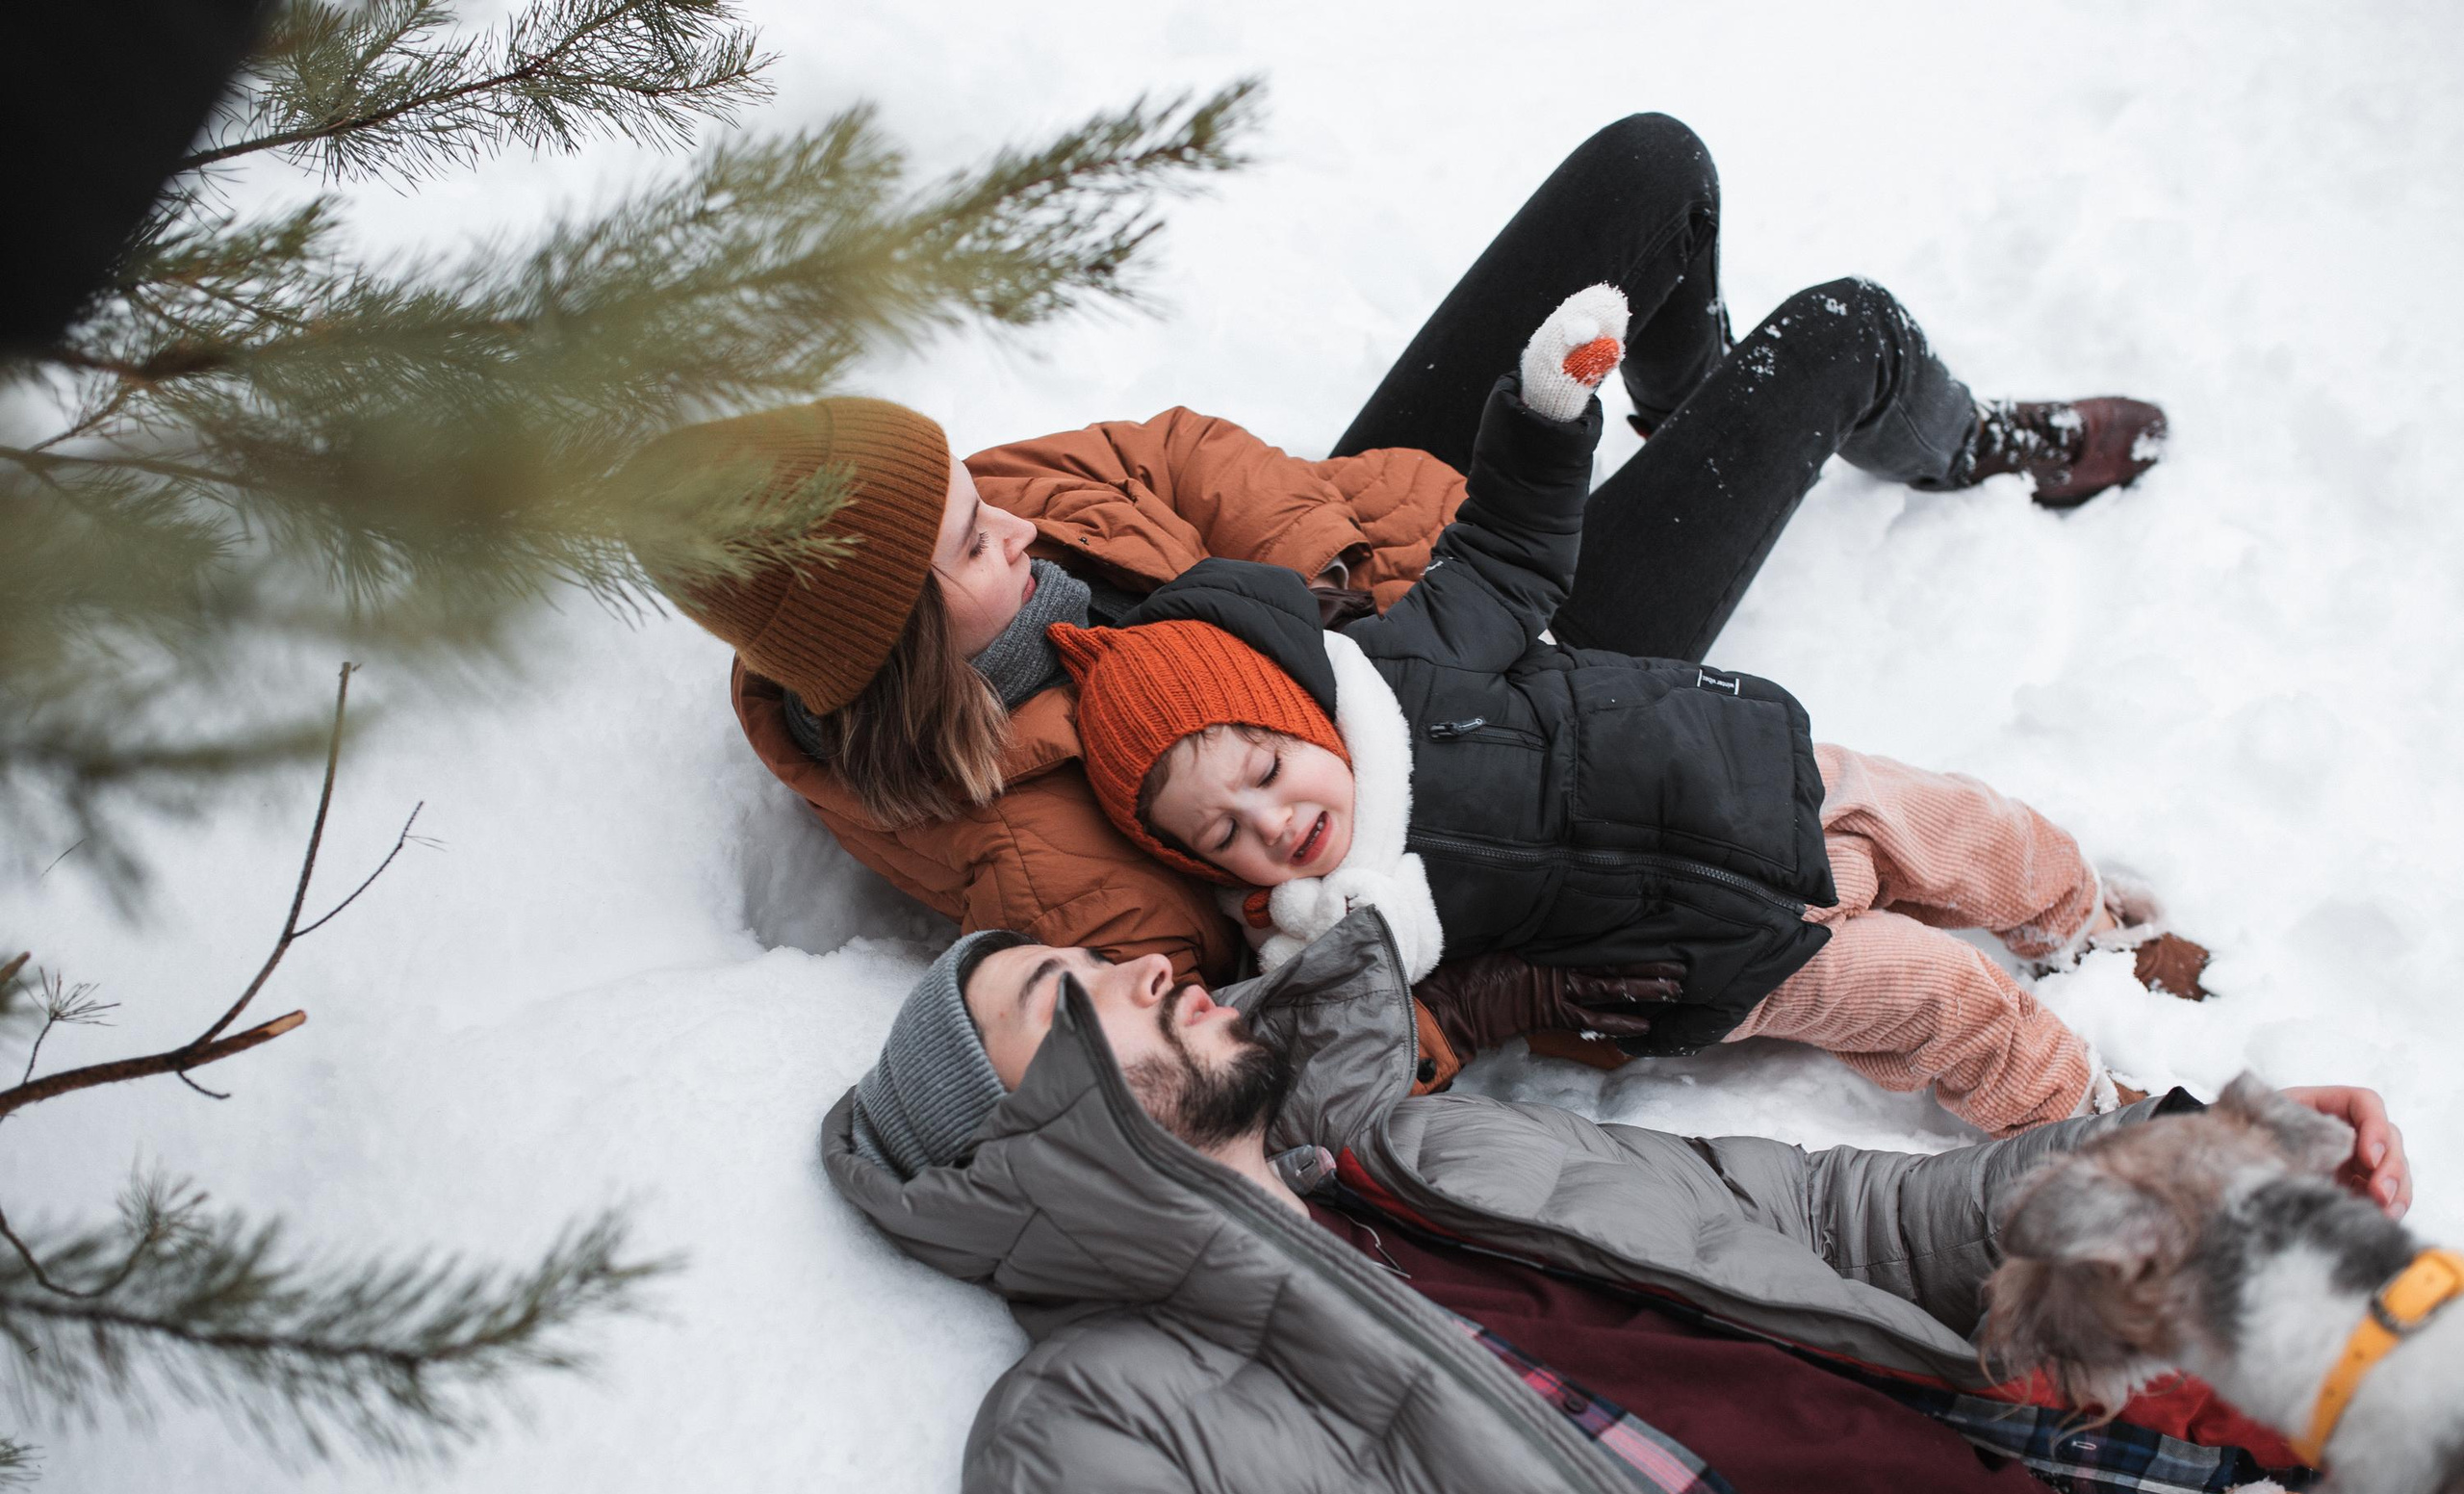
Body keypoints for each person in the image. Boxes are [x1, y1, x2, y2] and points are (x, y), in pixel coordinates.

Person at [646, 114, 2167, 1090]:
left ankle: (1701, 416)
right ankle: (1943, 436)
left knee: (1653, 173)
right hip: (1530, 703)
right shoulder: (1029, 852)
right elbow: (1316, 982)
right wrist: (1403, 679)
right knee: (1842, 331)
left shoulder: (951, 511)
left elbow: (1172, 450)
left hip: (1425, 581)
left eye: (984, 499)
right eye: (981, 545)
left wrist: (1332, 592)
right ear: (910, 651)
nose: (1023, 516)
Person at [822, 910, 2412, 1494]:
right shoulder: (1085, 1436)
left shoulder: (1428, 1159)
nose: (1147, 964)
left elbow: (1863, 1226)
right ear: (1014, 1135)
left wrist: (2214, 1146)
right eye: (1071, 993)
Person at [1043, 287, 2186, 1135]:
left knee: (1977, 833)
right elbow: (1361, 1047)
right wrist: (1498, 1000)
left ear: (1293, 705)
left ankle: (2089, 924)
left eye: (1259, 770)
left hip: (1752, 776)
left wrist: (1544, 417)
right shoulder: (1345, 934)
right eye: (1220, 836)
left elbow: (1503, 551)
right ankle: (2090, 1127)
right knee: (1944, 1002)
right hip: (1722, 966)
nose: (1266, 824)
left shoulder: (1410, 661)